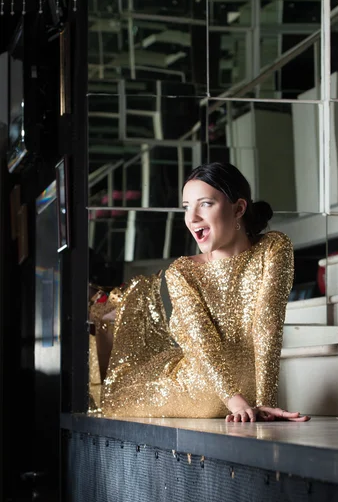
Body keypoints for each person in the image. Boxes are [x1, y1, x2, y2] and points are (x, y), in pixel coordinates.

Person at [101, 162, 309, 423]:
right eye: (186, 207)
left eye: (205, 204)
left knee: (117, 395)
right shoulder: (183, 270)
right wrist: (260, 400)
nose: (192, 218)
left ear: (239, 208)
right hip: (212, 386)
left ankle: (106, 314)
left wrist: (258, 402)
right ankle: (104, 315)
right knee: (121, 386)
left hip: (209, 392)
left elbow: (268, 323)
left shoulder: (272, 248)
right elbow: (205, 343)